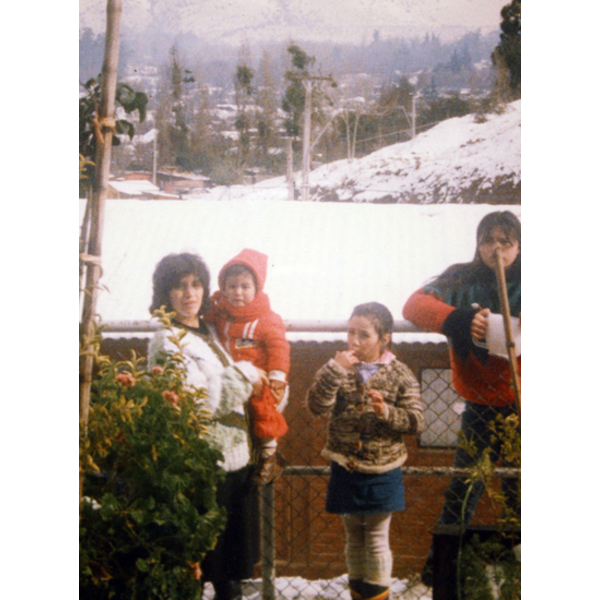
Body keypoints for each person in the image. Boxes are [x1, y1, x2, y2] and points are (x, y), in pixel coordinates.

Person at [402, 210, 521, 587]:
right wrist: (459, 321)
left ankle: (522, 568)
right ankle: (442, 565)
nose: (497, 248)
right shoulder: (461, 277)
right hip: (480, 404)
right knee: (465, 487)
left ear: (519, 245)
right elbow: (414, 305)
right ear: (478, 244)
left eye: (506, 240)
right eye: (489, 240)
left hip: (525, 404)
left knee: (523, 489)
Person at [148, 252, 268, 600]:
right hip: (203, 466)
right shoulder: (167, 340)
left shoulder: (210, 330)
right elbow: (198, 404)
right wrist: (247, 375)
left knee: (230, 576)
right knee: (201, 571)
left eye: (196, 284)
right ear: (164, 294)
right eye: (179, 287)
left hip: (235, 462)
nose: (190, 294)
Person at [307, 302, 425, 600]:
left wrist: (386, 411)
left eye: (364, 335)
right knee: (353, 537)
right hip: (346, 465)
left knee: (374, 537)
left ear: (384, 338)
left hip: (382, 468)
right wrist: (335, 371)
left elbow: (416, 421)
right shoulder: (338, 367)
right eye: (350, 332)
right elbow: (317, 406)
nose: (354, 341)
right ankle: (359, 595)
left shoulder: (400, 374)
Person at [206, 248, 290, 485]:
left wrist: (278, 378)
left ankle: (269, 454)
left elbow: (279, 349)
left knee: (261, 406)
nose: (238, 293)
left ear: (256, 289)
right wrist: (212, 304)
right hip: (232, 376)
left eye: (245, 287)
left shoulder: (266, 319)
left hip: (260, 377)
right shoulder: (223, 313)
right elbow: (207, 320)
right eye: (231, 286)